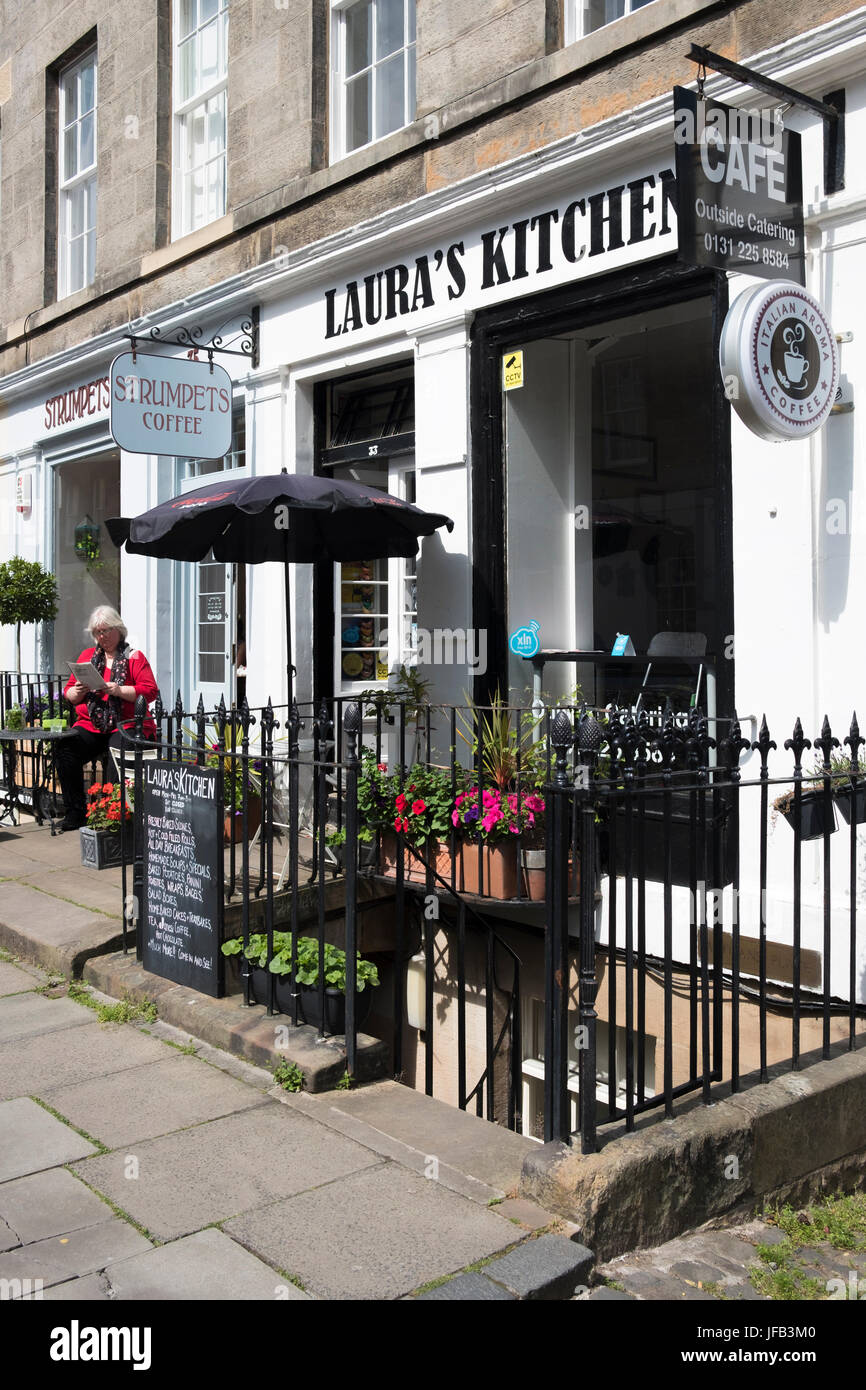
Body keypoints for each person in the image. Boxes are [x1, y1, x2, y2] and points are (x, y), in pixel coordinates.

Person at [56, 606, 159, 831]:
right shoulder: (87, 657)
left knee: (117, 753)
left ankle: (113, 816)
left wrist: (119, 690)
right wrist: (78, 691)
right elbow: (70, 694)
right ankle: (76, 812)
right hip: (92, 725)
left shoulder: (134, 657)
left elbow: (150, 691)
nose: (102, 637)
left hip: (125, 724)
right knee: (65, 750)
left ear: (118, 629)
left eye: (106, 631)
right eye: (97, 633)